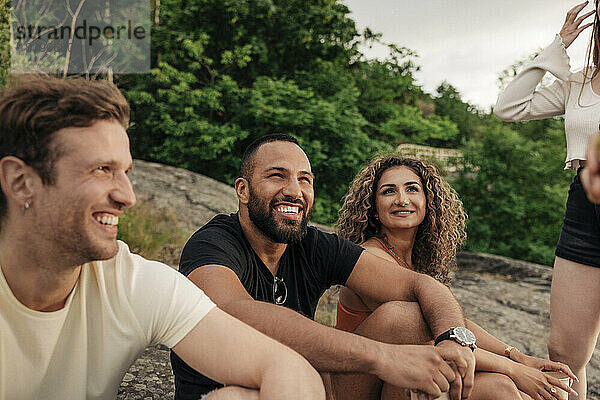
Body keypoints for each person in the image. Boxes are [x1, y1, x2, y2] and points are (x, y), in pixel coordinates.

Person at [0, 76, 326, 400]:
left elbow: (288, 368)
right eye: (101, 169)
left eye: (126, 173)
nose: (128, 197)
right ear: (20, 182)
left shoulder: (131, 282)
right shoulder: (213, 243)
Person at [170, 133, 478, 400]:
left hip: (302, 385)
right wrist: (382, 356)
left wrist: (454, 338)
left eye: (304, 179)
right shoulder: (213, 243)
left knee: (404, 316)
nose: (294, 190)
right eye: (277, 176)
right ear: (243, 190)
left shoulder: (313, 244)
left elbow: (420, 285)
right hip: (231, 390)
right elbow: (231, 311)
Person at [335, 155, 577, 400]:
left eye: (412, 189)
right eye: (388, 192)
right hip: (356, 387)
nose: (402, 199)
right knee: (500, 386)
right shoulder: (369, 256)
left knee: (503, 387)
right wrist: (515, 369)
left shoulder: (415, 261)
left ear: (428, 201)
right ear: (373, 208)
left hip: (398, 372)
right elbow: (426, 331)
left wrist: (513, 354)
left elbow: (453, 327)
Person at [494, 1, 600, 398]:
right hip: (584, 208)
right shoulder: (578, 82)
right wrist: (559, 44)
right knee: (565, 352)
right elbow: (509, 107)